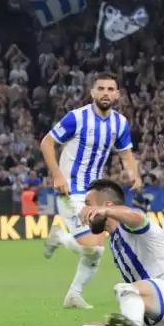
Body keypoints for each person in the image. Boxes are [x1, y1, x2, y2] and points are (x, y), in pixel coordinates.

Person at [40, 73, 142, 309]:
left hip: (94, 194)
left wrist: (134, 173)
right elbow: (47, 142)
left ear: (117, 94)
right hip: (69, 190)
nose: (106, 93)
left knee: (96, 250)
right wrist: (57, 174)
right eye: (101, 88)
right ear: (93, 93)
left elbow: (126, 153)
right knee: (94, 247)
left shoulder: (120, 123)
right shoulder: (76, 118)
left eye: (111, 89)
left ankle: (73, 296)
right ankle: (61, 237)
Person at [76, 179, 164, 326]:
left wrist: (105, 211)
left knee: (126, 289)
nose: (84, 210)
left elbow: (137, 217)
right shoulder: (114, 240)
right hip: (157, 311)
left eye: (88, 204)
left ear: (107, 205)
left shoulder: (129, 226)